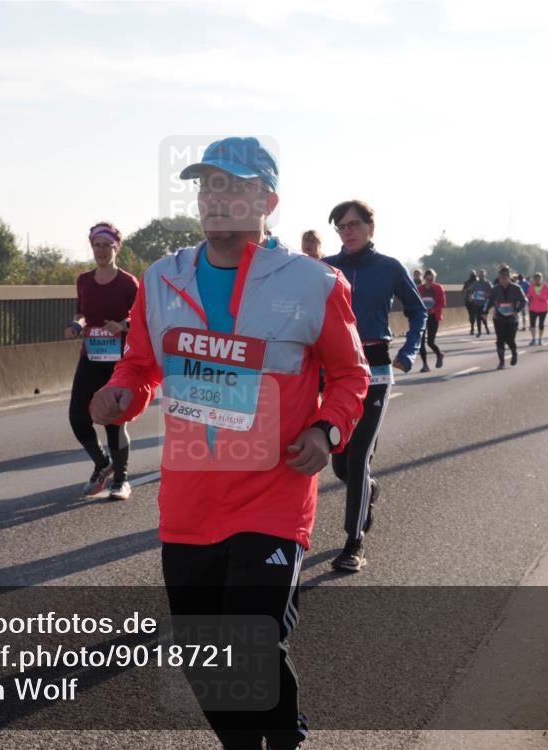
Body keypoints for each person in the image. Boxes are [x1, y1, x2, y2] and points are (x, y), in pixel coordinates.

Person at [90, 136, 370, 750]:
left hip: (273, 494)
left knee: (252, 640)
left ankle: (283, 738)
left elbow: (352, 376)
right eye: (207, 185)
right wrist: (119, 394)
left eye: (235, 186)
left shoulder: (314, 282)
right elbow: (140, 366)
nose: (216, 198)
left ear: (268, 201)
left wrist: (326, 430)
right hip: (189, 498)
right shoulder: (162, 279)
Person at [323, 199, 427, 573]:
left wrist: (409, 351)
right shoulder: (326, 268)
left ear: (370, 227)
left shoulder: (390, 267)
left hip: (377, 370)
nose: (347, 232)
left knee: (358, 456)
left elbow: (418, 312)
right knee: (341, 463)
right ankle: (368, 485)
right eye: (341, 227)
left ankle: (354, 543)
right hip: (336, 373)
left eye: (353, 224)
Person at [65, 222, 139, 501]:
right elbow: (82, 312)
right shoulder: (84, 280)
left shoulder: (128, 282)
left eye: (106, 245)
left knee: (113, 421)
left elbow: (141, 317)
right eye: (96, 245)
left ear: (116, 248)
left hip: (118, 363)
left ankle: (121, 480)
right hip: (90, 357)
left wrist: (123, 325)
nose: (101, 250)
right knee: (77, 418)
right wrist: (77, 324)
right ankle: (102, 462)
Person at [483, 265, 526, 369]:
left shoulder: (516, 288)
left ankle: (514, 353)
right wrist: (485, 311)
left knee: (510, 340)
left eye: (505, 277)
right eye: (501, 277)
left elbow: (524, 301)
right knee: (500, 340)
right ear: (499, 278)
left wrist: (517, 310)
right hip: (499, 317)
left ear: (509, 277)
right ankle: (501, 362)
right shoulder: (495, 289)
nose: (503, 279)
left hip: (512, 318)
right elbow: (489, 301)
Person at [416, 268, 446, 372]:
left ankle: (439, 354)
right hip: (422, 317)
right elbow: (415, 302)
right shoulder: (419, 289)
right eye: (428, 279)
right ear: (424, 279)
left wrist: (434, 310)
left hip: (433, 317)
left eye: (432, 279)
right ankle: (425, 365)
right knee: (421, 341)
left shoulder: (438, 288)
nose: (430, 282)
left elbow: (442, 303)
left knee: (430, 342)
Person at [525, 272, 548, 345]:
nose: (537, 280)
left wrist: (543, 297)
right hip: (533, 307)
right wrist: (528, 296)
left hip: (543, 308)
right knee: (532, 324)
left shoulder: (545, 286)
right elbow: (528, 294)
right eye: (536, 278)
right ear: (534, 279)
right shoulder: (531, 286)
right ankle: (533, 339)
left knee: (541, 324)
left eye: (539, 278)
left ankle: (540, 339)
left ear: (541, 279)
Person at [469, 269, 493, 337]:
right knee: (478, 317)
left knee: (483, 317)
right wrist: (471, 297)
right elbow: (472, 291)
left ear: (485, 275)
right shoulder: (475, 283)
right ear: (478, 275)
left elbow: (492, 291)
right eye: (480, 275)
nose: (481, 276)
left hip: (484, 304)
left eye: (482, 275)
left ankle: (486, 328)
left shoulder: (488, 283)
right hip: (477, 303)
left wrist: (488, 294)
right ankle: (479, 332)